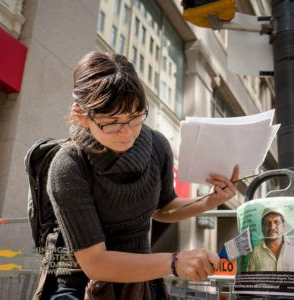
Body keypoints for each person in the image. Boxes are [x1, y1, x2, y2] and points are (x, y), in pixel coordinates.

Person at [43, 51, 239, 299]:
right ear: (82, 116)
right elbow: (95, 262)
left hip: (143, 280)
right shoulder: (69, 165)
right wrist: (175, 262)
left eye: (135, 117)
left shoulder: (157, 146)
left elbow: (164, 208)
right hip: (81, 286)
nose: (127, 132)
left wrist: (210, 201)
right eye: (112, 121)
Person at [246, 208, 294, 272]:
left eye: (277, 222)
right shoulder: (254, 253)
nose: (272, 227)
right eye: (267, 223)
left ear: (283, 226)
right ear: (262, 228)